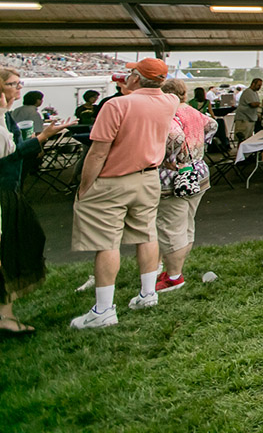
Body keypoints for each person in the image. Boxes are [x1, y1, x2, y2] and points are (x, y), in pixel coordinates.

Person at [70, 58, 180, 329]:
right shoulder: (170, 102)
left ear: (134, 78)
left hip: (113, 180)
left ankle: (104, 309)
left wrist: (85, 186)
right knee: (146, 233)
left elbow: (97, 153)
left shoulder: (117, 104)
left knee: (107, 242)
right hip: (148, 178)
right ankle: (148, 293)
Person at [1, 67, 73, 334]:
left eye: (20, 83)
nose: (18, 87)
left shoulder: (8, 115)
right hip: (3, 192)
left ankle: (5, 314)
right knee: (9, 253)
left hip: (10, 190)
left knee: (14, 250)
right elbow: (5, 153)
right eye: (12, 83)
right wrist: (42, 138)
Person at [154, 79, 218, 293]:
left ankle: (173, 276)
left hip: (176, 177)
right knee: (187, 224)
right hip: (198, 172)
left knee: (171, 227)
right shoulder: (192, 111)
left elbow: (174, 135)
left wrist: (170, 155)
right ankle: (175, 268)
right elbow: (213, 125)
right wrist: (200, 147)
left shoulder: (170, 113)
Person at [233, 78, 263, 144]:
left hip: (250, 118)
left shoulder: (255, 93)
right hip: (244, 119)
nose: (259, 87)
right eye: (258, 85)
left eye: (261, 85)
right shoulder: (248, 92)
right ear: (253, 84)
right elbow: (252, 104)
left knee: (248, 138)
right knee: (243, 138)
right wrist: (261, 103)